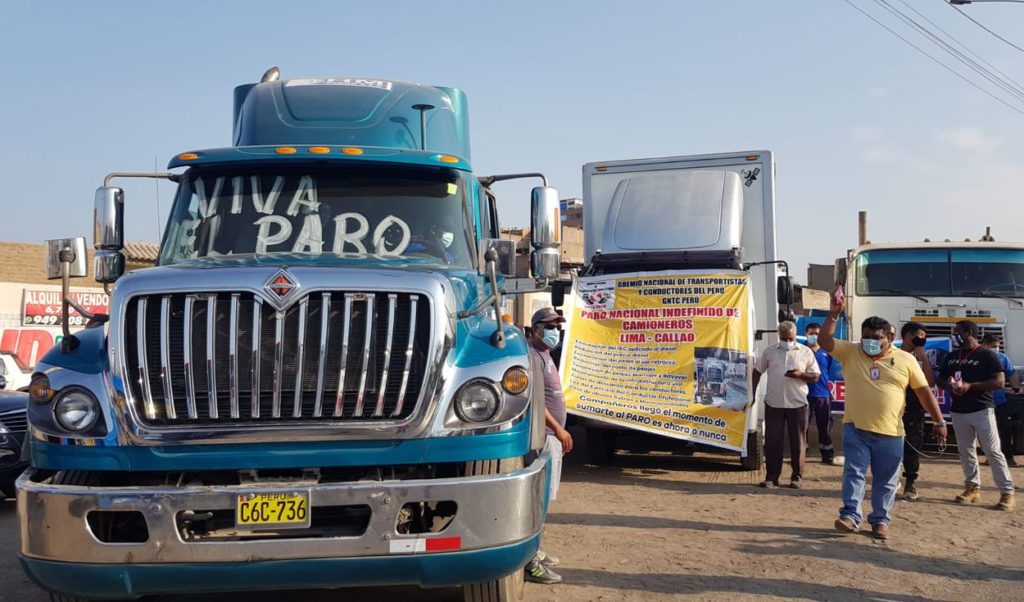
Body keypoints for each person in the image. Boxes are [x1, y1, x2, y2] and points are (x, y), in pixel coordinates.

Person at [818, 293, 947, 540]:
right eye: (866, 337)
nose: (870, 342)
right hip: (856, 428)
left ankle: (880, 521)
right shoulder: (851, 352)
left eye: (876, 338)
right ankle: (850, 516)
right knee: (854, 473)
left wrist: (939, 421)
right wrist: (834, 313)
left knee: (886, 480)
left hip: (891, 433)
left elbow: (923, 392)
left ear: (888, 338)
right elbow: (825, 340)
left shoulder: (906, 359)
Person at [938, 322, 1015, 511]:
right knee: (966, 451)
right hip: (958, 410)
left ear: (970, 333)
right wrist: (950, 387)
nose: (955, 335)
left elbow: (999, 381)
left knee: (993, 451)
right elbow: (940, 379)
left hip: (982, 409)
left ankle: (1007, 492)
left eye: (958, 332)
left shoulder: (987, 355)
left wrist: (970, 386)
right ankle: (972, 488)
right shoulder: (952, 356)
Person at [524, 307, 573, 583]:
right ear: (536, 329)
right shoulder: (533, 357)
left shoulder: (545, 355)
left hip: (552, 438)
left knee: (544, 501)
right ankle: (530, 561)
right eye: (550, 325)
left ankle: (535, 549)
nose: (555, 330)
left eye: (557, 325)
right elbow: (536, 401)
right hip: (544, 437)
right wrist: (558, 429)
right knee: (538, 501)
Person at [752, 321, 820, 489]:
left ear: (795, 336)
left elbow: (815, 376)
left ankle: (797, 477)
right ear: (779, 336)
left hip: (798, 404)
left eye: (790, 338)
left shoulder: (805, 352)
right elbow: (757, 372)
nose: (787, 342)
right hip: (774, 403)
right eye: (784, 338)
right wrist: (752, 394)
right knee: (773, 441)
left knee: (798, 442)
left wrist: (800, 375)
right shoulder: (769, 351)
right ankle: (772, 477)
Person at [898, 322, 936, 502]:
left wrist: (923, 359)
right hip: (893, 408)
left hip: (914, 410)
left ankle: (910, 483)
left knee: (912, 446)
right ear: (907, 336)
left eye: (924, 336)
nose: (921, 340)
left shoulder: (922, 357)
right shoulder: (894, 355)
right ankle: (891, 480)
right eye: (917, 336)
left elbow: (930, 383)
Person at [982, 333, 1021, 467]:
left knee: (1005, 429)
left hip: (999, 401)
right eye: (993, 346)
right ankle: (989, 456)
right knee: (986, 431)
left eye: (998, 346)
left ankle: (1008, 456)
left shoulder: (1002, 357)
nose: (996, 349)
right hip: (982, 401)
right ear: (985, 344)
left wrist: (1016, 389)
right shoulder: (978, 357)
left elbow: (1012, 374)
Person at [803, 322, 836, 465]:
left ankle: (827, 453)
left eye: (817, 333)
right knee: (802, 425)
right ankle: (801, 451)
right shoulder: (801, 349)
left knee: (825, 426)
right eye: (811, 333)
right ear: (806, 334)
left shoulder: (826, 351)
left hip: (823, 395)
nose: (814, 336)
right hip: (804, 394)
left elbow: (827, 369)